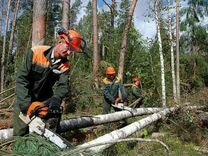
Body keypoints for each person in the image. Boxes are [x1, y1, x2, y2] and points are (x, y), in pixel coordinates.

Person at [13, 28, 86, 136]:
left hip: (44, 98)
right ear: (60, 41)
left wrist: (56, 99)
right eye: (68, 47)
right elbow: (22, 80)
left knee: (50, 128)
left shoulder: (65, 65)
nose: (69, 53)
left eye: (72, 50)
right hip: (25, 96)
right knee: (21, 133)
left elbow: (63, 85)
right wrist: (27, 106)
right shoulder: (36, 53)